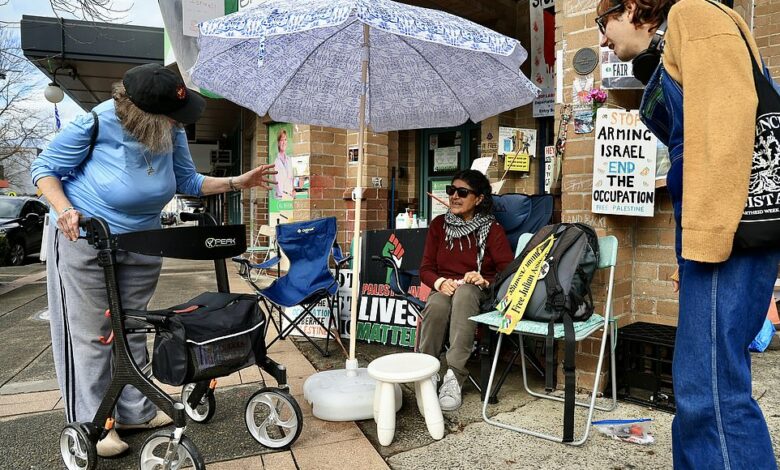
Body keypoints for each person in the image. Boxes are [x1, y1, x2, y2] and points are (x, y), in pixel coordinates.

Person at [31, 63, 276, 458]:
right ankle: (95, 423)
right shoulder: (95, 124)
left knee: (131, 327)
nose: (178, 122)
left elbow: (187, 181)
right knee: (94, 334)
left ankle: (135, 411)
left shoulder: (170, 128)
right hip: (86, 237)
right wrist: (63, 209)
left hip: (143, 240)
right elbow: (44, 169)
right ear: (140, 113)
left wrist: (236, 182)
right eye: (169, 116)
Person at [597, 0, 778, 468]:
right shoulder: (673, 42)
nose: (601, 37)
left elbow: (725, 128)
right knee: (702, 384)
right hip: (718, 232)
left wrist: (705, 240)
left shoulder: (693, 15)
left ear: (632, 7)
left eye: (604, 21)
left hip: (725, 235)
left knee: (711, 391)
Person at [418, 170, 513, 411]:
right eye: (451, 191)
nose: (454, 197)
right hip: (446, 288)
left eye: (462, 192)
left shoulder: (492, 229)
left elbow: (509, 272)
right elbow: (426, 268)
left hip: (477, 292)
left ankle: (454, 376)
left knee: (466, 291)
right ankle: (426, 370)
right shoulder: (439, 225)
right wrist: (439, 282)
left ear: (479, 199)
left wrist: (483, 280)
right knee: (438, 302)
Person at [273, 129, 294, 200]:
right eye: (282, 140)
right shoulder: (276, 162)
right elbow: (278, 183)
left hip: (290, 197)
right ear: (278, 142)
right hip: (281, 198)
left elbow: (292, 178)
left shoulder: (290, 160)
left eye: (285, 140)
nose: (284, 142)